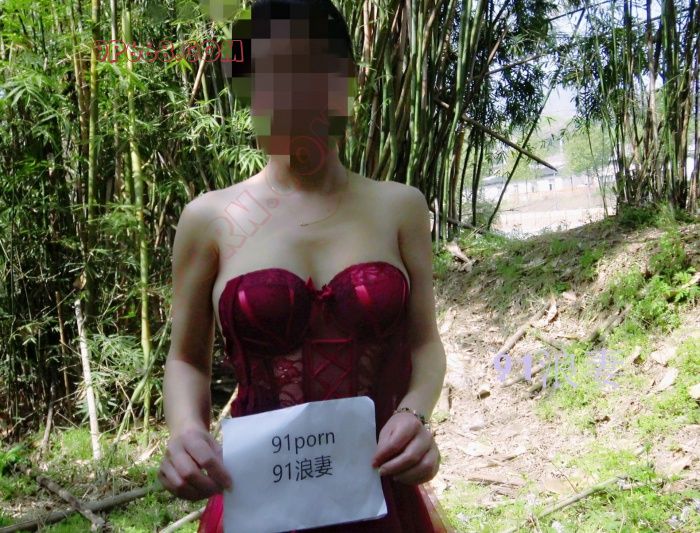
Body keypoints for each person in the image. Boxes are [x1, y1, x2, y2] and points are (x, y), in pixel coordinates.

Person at [158, 0, 451, 531]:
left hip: (378, 492)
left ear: (348, 80)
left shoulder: (401, 207)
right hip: (257, 498)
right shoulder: (210, 219)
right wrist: (185, 431)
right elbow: (186, 359)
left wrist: (414, 415)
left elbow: (425, 345)